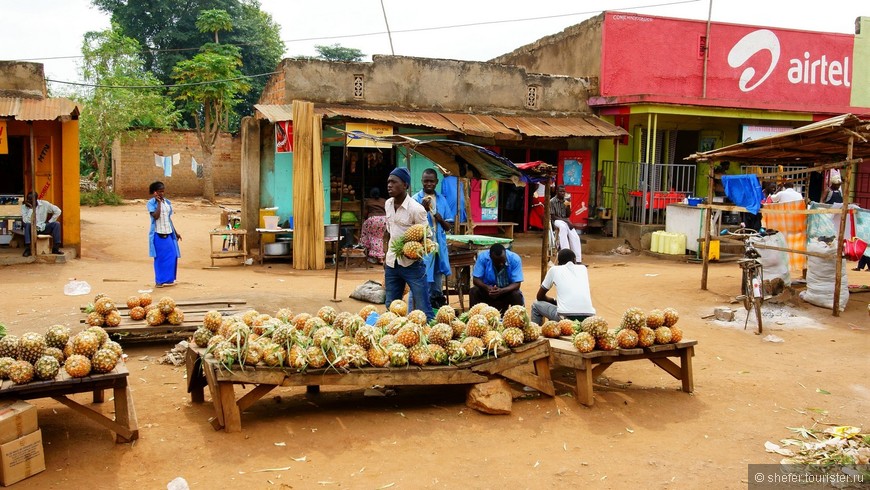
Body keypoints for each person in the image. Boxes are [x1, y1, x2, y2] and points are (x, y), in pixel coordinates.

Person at [383, 168, 433, 321]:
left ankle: (433, 338)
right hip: (392, 263)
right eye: (388, 182)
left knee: (423, 306)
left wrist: (411, 250)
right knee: (391, 306)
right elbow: (388, 232)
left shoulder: (416, 209)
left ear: (405, 185)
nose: (389, 185)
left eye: (393, 182)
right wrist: (385, 256)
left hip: (412, 264)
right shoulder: (388, 204)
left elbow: (427, 236)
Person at [413, 168, 451, 308]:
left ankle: (436, 312)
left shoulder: (442, 200)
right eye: (426, 181)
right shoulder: (415, 200)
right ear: (422, 181)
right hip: (421, 248)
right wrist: (422, 210)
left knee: (436, 281)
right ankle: (417, 311)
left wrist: (439, 219)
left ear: (436, 182)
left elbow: (448, 227)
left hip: (438, 247)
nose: (428, 184)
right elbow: (411, 225)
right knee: (420, 281)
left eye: (431, 181)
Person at [531, 249, 596, 324]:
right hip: (588, 317)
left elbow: (539, 296)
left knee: (536, 304)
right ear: (574, 260)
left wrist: (553, 301)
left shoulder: (554, 270)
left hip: (565, 317)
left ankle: (537, 331)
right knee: (558, 308)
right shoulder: (583, 269)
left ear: (558, 262)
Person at [469, 243, 524, 313]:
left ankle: (518, 320)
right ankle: (474, 318)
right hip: (487, 292)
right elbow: (476, 279)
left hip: (506, 292)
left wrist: (502, 290)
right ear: (490, 257)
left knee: (517, 295)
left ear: (505, 253)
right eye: (497, 261)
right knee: (474, 291)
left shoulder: (515, 259)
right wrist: (487, 288)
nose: (501, 263)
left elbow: (517, 284)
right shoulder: (483, 258)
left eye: (502, 260)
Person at [147, 181, 181, 288]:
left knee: (173, 255)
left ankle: (169, 279)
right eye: (159, 191)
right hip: (158, 234)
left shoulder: (168, 203)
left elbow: (168, 219)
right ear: (154, 192)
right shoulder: (151, 203)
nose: (162, 193)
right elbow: (156, 216)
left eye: (163, 191)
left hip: (169, 233)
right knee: (160, 258)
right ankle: (159, 281)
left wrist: (176, 232)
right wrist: (158, 204)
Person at [20, 192, 63, 256]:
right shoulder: (24, 207)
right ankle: (28, 249)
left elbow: (58, 211)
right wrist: (31, 208)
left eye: (30, 199)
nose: (28, 201)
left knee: (56, 224)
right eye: (28, 199)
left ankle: (56, 248)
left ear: (36, 199)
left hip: (43, 227)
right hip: (32, 229)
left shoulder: (44, 204)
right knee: (27, 225)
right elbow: (26, 221)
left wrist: (50, 221)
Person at [550, 185, 582, 262]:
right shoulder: (552, 201)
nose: (562, 193)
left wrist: (568, 206)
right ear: (557, 192)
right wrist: (567, 221)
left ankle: (578, 260)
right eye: (561, 191)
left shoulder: (566, 200)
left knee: (575, 236)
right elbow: (553, 216)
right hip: (557, 221)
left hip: (566, 220)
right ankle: (566, 256)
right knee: (563, 227)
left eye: (564, 191)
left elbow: (568, 215)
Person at [359, 187, 387, 264]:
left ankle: (379, 257)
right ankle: (374, 255)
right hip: (384, 220)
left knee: (372, 237)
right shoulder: (384, 201)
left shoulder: (368, 201)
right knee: (379, 238)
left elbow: (365, 214)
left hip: (373, 220)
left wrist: (365, 218)